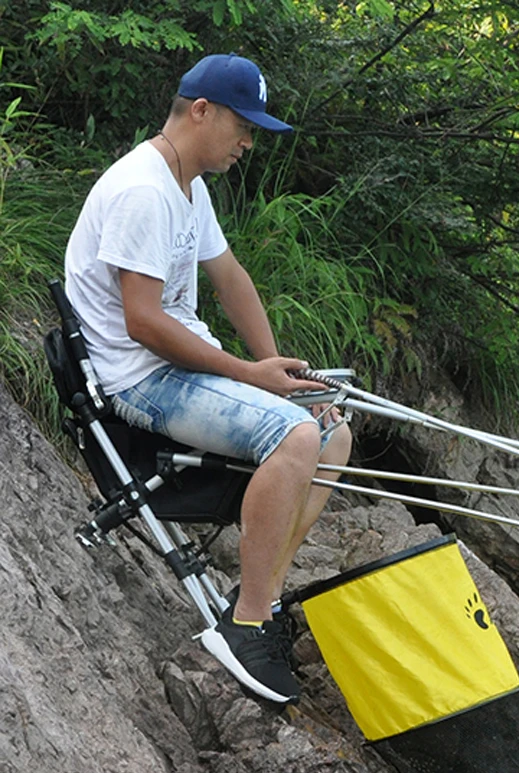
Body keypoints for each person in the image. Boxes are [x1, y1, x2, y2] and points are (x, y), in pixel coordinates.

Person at [64, 53, 353, 704]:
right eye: (243, 126)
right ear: (201, 111)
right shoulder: (143, 189)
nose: (249, 142)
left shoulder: (187, 185)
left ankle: (262, 599)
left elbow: (231, 279)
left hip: (180, 367)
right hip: (140, 382)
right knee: (296, 440)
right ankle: (246, 625)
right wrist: (250, 376)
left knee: (330, 432)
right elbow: (143, 322)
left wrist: (282, 372)